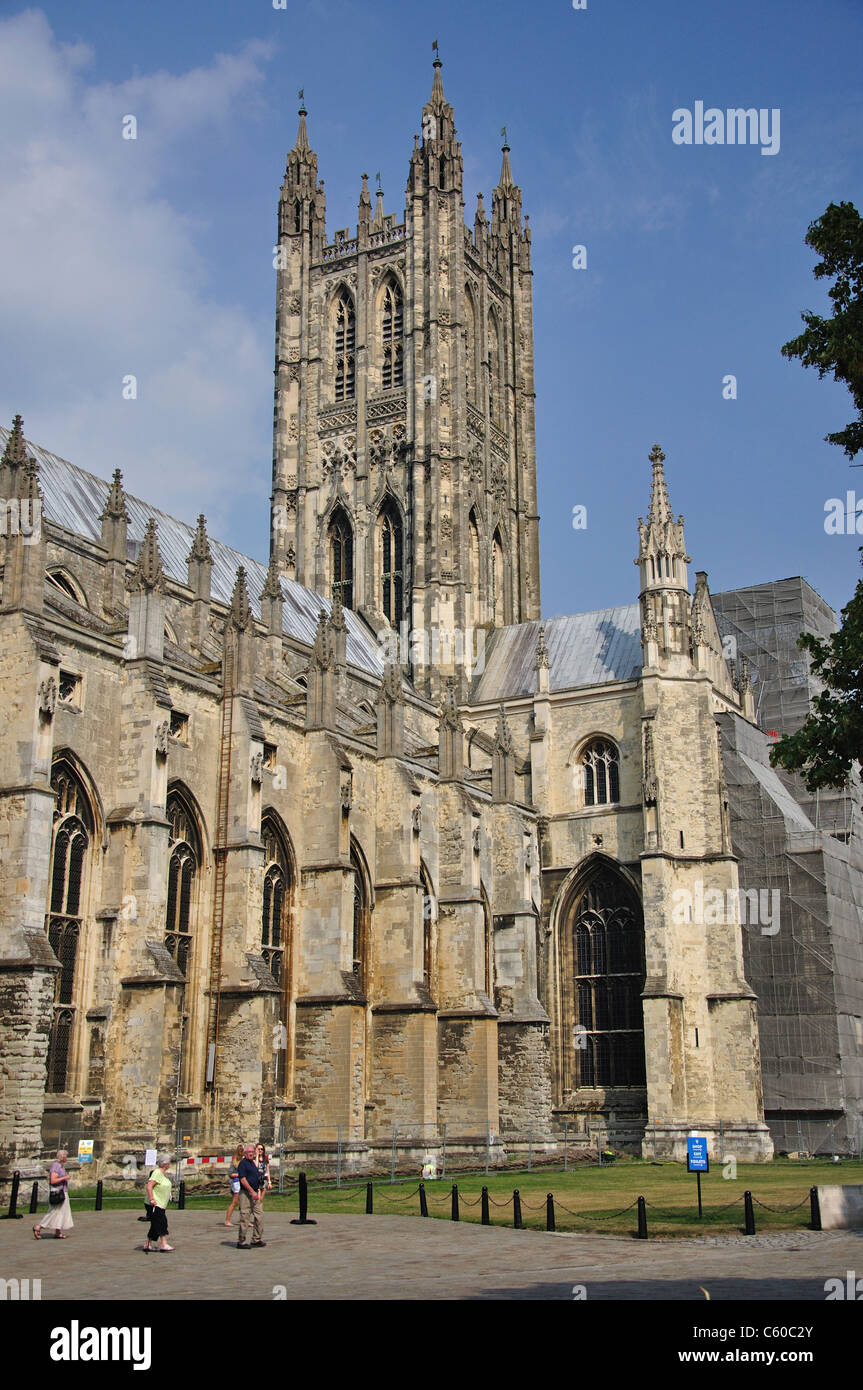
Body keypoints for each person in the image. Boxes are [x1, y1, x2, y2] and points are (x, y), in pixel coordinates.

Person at [33, 1149, 73, 1239]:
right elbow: (53, 1180)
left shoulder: (61, 1166)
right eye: (66, 1156)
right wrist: (65, 1177)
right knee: (54, 1212)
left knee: (61, 1212)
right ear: (62, 1157)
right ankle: (38, 1227)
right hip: (57, 1192)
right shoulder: (56, 1166)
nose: (67, 1158)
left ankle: (58, 1232)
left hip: (63, 1191)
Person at [236, 1143, 266, 1248]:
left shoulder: (253, 1163)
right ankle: (241, 1241)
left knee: (260, 1215)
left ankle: (256, 1239)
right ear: (245, 1153)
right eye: (249, 1152)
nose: (251, 1154)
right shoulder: (243, 1164)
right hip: (246, 1193)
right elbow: (243, 1180)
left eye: (252, 1152)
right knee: (245, 1216)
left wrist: (257, 1190)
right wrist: (251, 1191)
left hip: (254, 1193)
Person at [143, 1154, 174, 1252]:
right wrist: (152, 1199)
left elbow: (163, 1185)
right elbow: (149, 1186)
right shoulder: (157, 1172)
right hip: (155, 1204)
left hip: (161, 1203)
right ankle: (163, 1244)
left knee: (155, 1224)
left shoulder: (163, 1173)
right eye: (169, 1162)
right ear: (165, 1164)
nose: (170, 1164)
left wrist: (169, 1194)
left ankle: (148, 1244)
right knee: (161, 1222)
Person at [224, 1144, 244, 1227]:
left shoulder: (245, 1160)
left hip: (243, 1182)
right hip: (236, 1182)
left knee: (244, 1202)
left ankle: (244, 1220)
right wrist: (239, 1175)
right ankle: (227, 1220)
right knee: (235, 1202)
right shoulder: (235, 1161)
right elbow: (230, 1173)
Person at [254, 1142, 272, 1207]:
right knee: (258, 1199)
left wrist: (269, 1182)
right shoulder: (254, 1159)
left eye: (262, 1149)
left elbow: (267, 1171)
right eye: (259, 1149)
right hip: (257, 1180)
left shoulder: (265, 1159)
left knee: (261, 1200)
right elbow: (256, 1166)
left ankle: (260, 1212)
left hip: (264, 1179)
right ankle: (257, 1212)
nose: (260, 1150)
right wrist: (257, 1155)